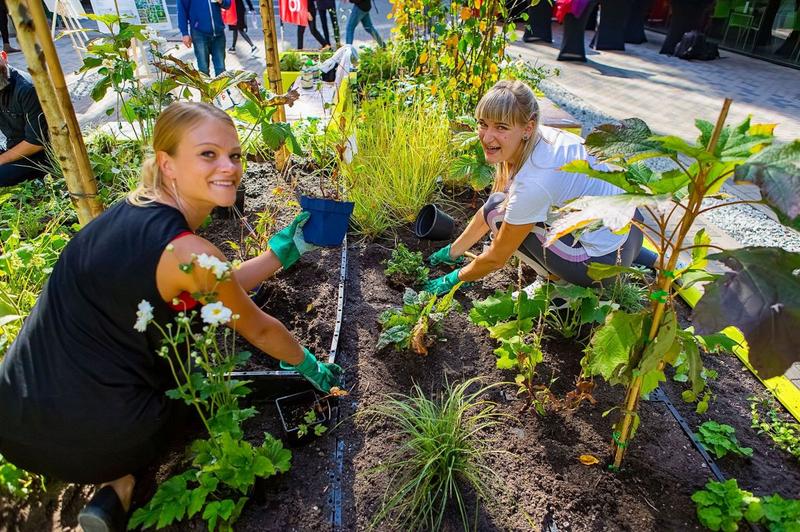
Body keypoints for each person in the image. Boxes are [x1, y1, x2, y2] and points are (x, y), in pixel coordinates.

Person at [0, 102, 341, 531]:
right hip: (89, 439)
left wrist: (279, 254)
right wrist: (309, 365)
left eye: (235, 155)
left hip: (14, 414)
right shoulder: (191, 253)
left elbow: (214, 286)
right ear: (167, 163)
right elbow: (257, 326)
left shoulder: (129, 215)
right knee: (192, 393)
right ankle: (120, 482)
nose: (229, 167)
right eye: (207, 154)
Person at [424, 80, 656, 295]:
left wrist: (454, 279)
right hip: (631, 235)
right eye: (483, 124)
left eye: (501, 127)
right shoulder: (545, 138)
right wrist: (453, 251)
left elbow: (496, 257)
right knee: (500, 205)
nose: (487, 136)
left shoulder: (535, 180)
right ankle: (653, 260)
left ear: (527, 127)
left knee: (499, 215)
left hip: (599, 269)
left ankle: (555, 286)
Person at [0, 51, 49, 187]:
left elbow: (36, 143)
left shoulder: (27, 89)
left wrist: (2, 159)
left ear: (4, 56)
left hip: (38, 156)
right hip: (12, 147)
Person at [178, 0, 231, 76]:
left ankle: (221, 88)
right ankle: (205, 87)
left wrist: (221, 1)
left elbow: (227, 5)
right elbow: (182, 11)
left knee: (221, 67)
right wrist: (184, 33)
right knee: (203, 68)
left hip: (218, 33)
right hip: (199, 34)